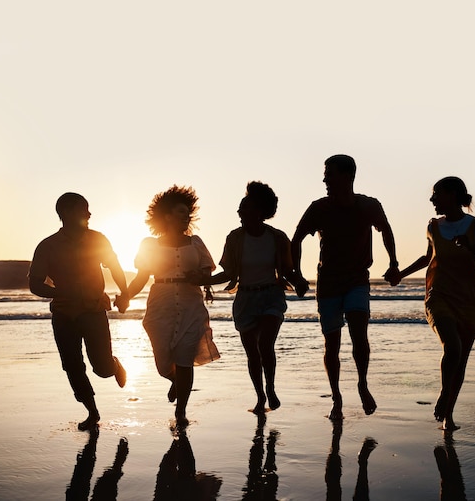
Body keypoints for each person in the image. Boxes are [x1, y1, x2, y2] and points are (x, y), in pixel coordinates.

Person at [291, 154, 400, 421]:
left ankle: (362, 383)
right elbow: (296, 240)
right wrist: (298, 275)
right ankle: (336, 398)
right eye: (325, 173)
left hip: (357, 281)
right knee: (332, 344)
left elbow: (386, 230)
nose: (325, 179)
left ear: (347, 176)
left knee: (359, 333)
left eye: (330, 173)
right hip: (327, 283)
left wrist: (394, 263)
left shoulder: (369, 205)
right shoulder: (319, 208)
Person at [389, 176, 475, 431]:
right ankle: (443, 394)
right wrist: (400, 274)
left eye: (436, 194)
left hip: (468, 300)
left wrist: (472, 249)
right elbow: (428, 257)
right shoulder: (433, 227)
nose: (432, 200)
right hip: (438, 295)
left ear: (452, 195)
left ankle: (448, 415)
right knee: (452, 347)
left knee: (460, 361)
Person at [115, 185, 219, 428]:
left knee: (185, 358)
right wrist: (126, 296)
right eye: (181, 211)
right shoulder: (150, 244)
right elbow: (142, 277)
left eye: (188, 212)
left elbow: (206, 273)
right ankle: (174, 380)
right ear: (167, 215)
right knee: (163, 363)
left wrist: (200, 277)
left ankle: (181, 411)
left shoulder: (196, 242)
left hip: (191, 303)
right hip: (160, 304)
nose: (187, 216)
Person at [190, 181, 297, 415]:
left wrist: (298, 281)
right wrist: (202, 280)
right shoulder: (235, 238)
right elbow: (228, 273)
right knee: (252, 354)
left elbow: (288, 269)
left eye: (245, 208)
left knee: (265, 344)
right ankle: (260, 396)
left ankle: (270, 386)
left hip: (271, 296)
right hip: (246, 299)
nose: (240, 213)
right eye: (239, 209)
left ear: (260, 211)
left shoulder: (277, 238)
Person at [29, 192, 129, 432]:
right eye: (83, 209)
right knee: (72, 366)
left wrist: (124, 293)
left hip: (94, 311)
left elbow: (115, 267)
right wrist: (59, 293)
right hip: (64, 315)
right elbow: (35, 283)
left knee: (102, 368)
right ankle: (92, 412)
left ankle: (114, 366)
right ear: (65, 213)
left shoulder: (97, 239)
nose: (89, 214)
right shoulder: (47, 246)